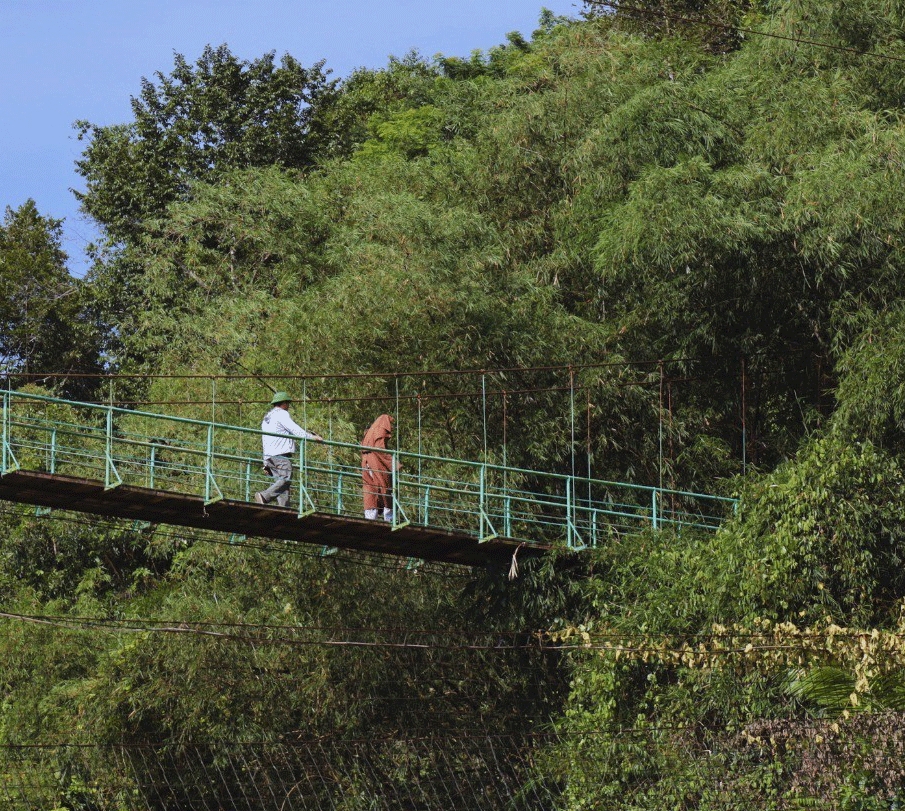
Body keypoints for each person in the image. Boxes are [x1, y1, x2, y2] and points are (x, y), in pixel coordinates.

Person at [254, 391, 323, 507]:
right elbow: (295, 430)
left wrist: (265, 461)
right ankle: (264, 496)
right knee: (286, 478)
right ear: (284, 403)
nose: (289, 406)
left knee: (282, 485)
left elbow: (264, 439)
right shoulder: (282, 414)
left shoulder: (267, 418)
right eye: (288, 403)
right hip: (281, 455)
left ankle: (284, 509)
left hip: (270, 456)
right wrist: (312, 437)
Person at [361, 413, 400, 521]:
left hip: (367, 463)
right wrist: (394, 463)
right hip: (376, 463)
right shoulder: (380, 432)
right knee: (385, 486)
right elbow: (380, 449)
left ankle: (371, 516)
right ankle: (389, 517)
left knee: (370, 489)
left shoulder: (370, 434)